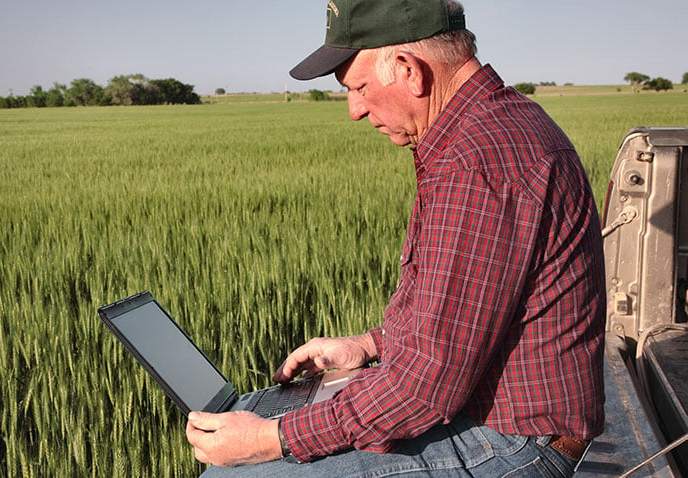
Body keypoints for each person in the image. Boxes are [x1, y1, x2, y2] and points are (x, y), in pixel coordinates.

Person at [185, 0, 606, 475]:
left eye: (359, 87)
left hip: (514, 440)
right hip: (495, 417)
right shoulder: (480, 132)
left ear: (408, 69)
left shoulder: (479, 163)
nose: (355, 110)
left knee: (234, 473)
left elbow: (423, 388)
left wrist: (272, 438)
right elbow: (458, 318)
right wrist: (368, 345)